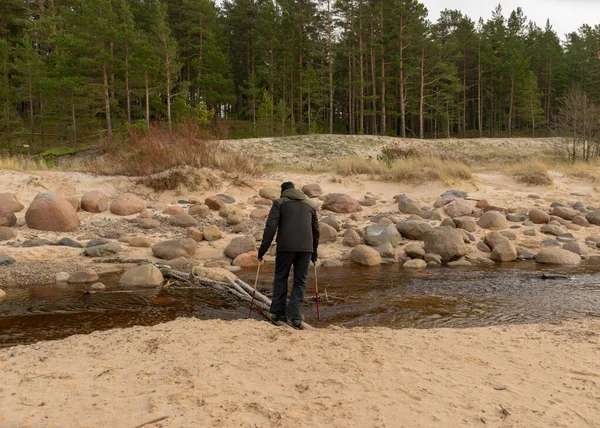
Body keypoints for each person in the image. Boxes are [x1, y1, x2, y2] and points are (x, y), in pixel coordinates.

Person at [257, 181, 319, 328]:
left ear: (283, 192)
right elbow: (316, 230)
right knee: (300, 281)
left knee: (281, 278)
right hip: (306, 248)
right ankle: (295, 316)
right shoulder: (310, 204)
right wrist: (314, 253)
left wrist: (262, 250)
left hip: (285, 247)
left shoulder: (280, 203)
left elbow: (270, 227)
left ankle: (278, 313)